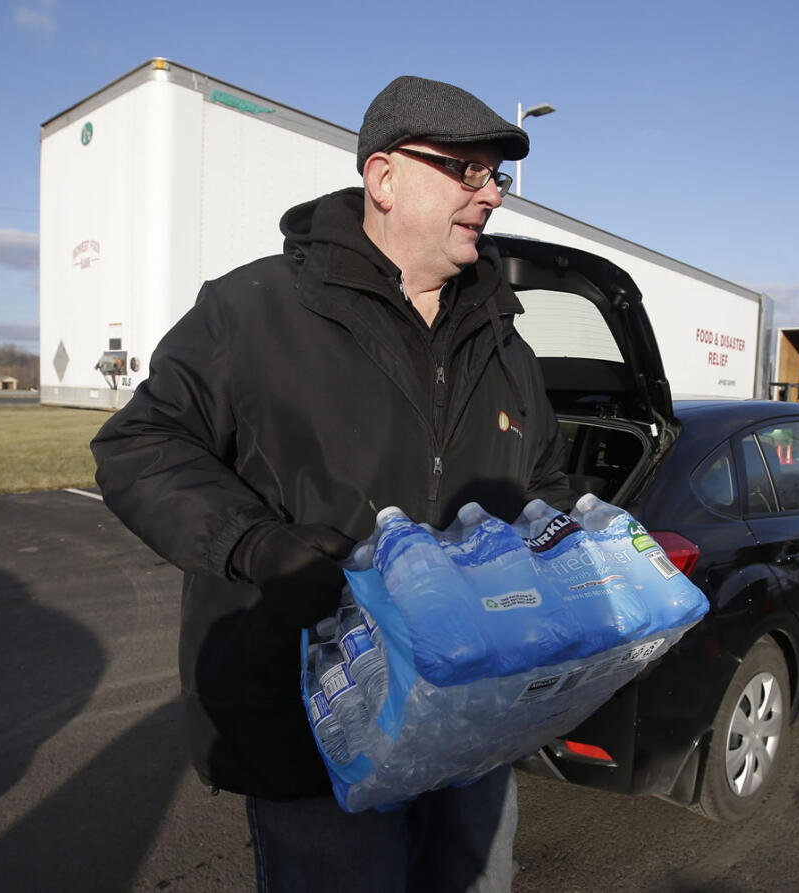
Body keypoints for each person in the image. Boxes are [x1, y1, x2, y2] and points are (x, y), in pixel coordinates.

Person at [91, 74, 573, 892]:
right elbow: (139, 443)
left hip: (470, 724)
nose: (490, 194)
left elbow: (548, 485)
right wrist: (254, 544)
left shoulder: (504, 341)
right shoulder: (256, 310)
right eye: (467, 170)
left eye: (496, 176)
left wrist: (560, 565)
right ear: (383, 179)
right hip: (319, 728)